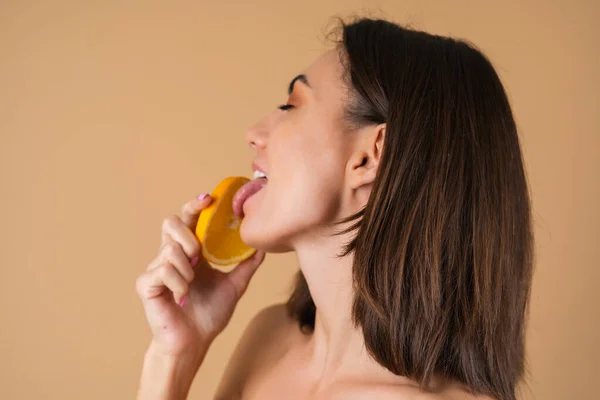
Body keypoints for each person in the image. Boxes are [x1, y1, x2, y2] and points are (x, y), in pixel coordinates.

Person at [135, 17, 533, 400]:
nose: (254, 134)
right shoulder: (267, 339)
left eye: (291, 105)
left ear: (371, 156)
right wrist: (174, 355)